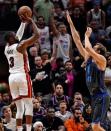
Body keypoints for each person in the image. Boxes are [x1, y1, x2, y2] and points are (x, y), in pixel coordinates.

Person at [66, 11, 110, 131]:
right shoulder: (88, 58)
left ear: (99, 51)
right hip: (94, 96)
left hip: (102, 95)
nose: (92, 48)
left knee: (96, 126)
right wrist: (70, 23)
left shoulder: (101, 60)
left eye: (95, 48)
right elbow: (77, 41)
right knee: (95, 127)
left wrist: (86, 35)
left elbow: (87, 46)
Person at [4, 14, 39, 131]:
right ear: (11, 39)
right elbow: (37, 35)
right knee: (29, 104)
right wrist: (31, 21)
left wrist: (23, 23)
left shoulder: (6, 48)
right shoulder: (20, 46)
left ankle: (19, 130)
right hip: (22, 75)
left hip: (11, 78)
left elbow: (18, 34)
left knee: (19, 108)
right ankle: (28, 130)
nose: (16, 34)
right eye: (13, 35)